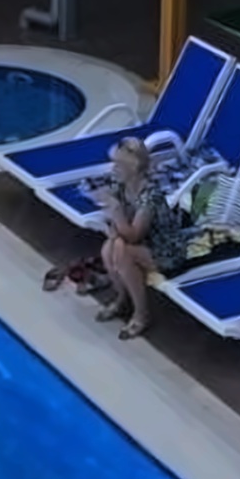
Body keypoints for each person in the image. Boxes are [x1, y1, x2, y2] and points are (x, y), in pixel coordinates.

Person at [92, 136, 189, 342]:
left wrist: (116, 211)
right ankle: (122, 298)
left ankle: (141, 314)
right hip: (140, 244)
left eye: (119, 164)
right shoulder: (121, 186)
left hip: (166, 251)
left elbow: (134, 235)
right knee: (109, 248)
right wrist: (114, 223)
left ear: (134, 167)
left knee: (122, 252)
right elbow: (107, 207)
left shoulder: (150, 196)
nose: (114, 168)